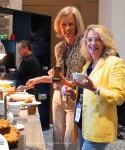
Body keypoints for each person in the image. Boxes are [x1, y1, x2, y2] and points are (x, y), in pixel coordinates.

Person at [26, 6, 85, 150]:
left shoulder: (85, 45)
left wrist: (68, 82)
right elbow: (58, 78)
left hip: (75, 97)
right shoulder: (58, 47)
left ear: (77, 24)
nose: (67, 28)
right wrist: (39, 79)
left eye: (70, 24)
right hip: (58, 96)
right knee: (57, 140)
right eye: (63, 24)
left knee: (71, 142)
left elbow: (86, 79)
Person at [61, 24, 125, 150]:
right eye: (89, 39)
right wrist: (72, 93)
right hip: (83, 123)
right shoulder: (88, 65)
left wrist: (95, 88)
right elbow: (84, 96)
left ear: (105, 42)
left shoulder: (114, 62)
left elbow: (119, 97)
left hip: (98, 126)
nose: (92, 43)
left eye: (98, 39)